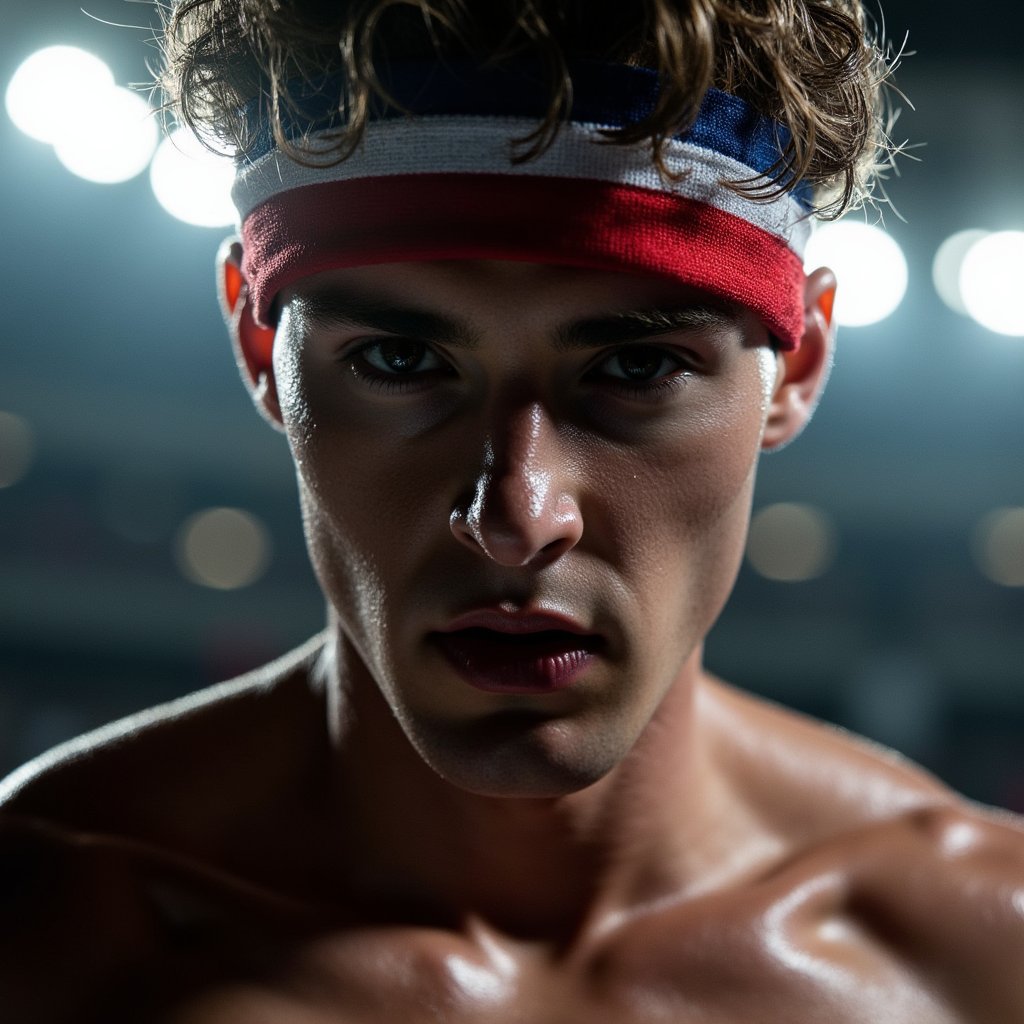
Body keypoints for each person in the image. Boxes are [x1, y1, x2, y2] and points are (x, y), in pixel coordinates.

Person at [2, 0, 1022, 1020]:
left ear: (794, 368)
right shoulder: (46, 931)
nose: (518, 517)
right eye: (399, 361)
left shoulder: (979, 944)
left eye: (635, 366)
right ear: (262, 349)